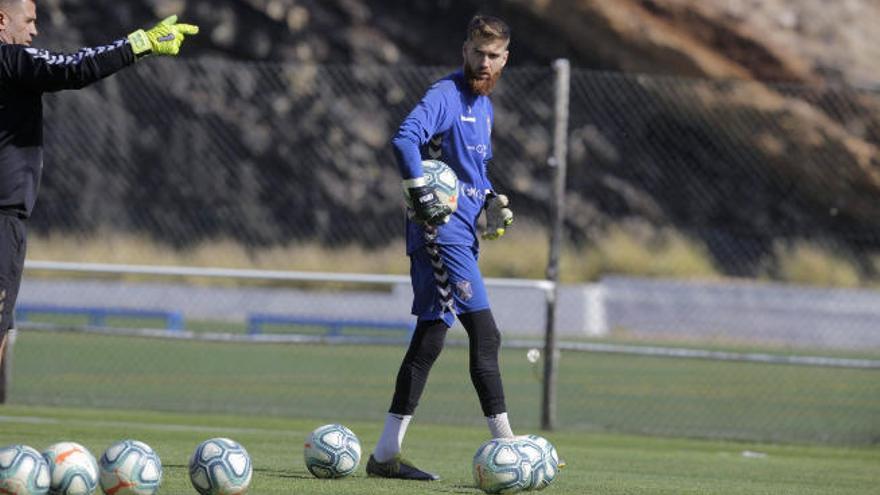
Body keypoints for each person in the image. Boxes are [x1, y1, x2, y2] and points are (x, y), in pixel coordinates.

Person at [0, 0, 199, 369]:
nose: (34, 31)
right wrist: (139, 44)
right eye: (28, 21)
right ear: (1, 20)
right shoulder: (9, 60)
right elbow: (75, 68)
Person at [366, 14, 515, 481]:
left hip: (462, 233)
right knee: (485, 334)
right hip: (441, 231)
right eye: (477, 52)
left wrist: (489, 198)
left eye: (493, 56)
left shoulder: (484, 106)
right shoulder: (446, 95)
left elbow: (472, 169)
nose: (483, 62)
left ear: (504, 59)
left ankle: (385, 455)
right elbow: (405, 138)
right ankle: (509, 448)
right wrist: (418, 187)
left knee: (430, 337)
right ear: (464, 50)